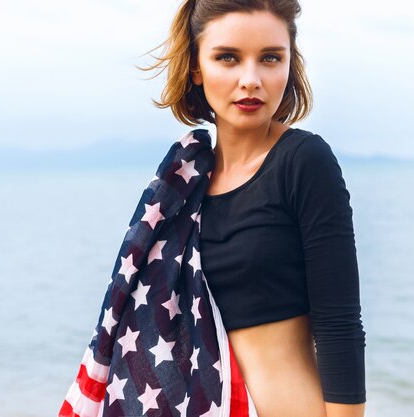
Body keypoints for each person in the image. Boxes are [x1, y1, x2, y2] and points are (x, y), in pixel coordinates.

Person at [141, 1, 366, 416]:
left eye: (270, 59)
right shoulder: (183, 182)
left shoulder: (303, 162)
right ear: (196, 67)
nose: (251, 80)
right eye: (227, 58)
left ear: (289, 65)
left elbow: (340, 326)